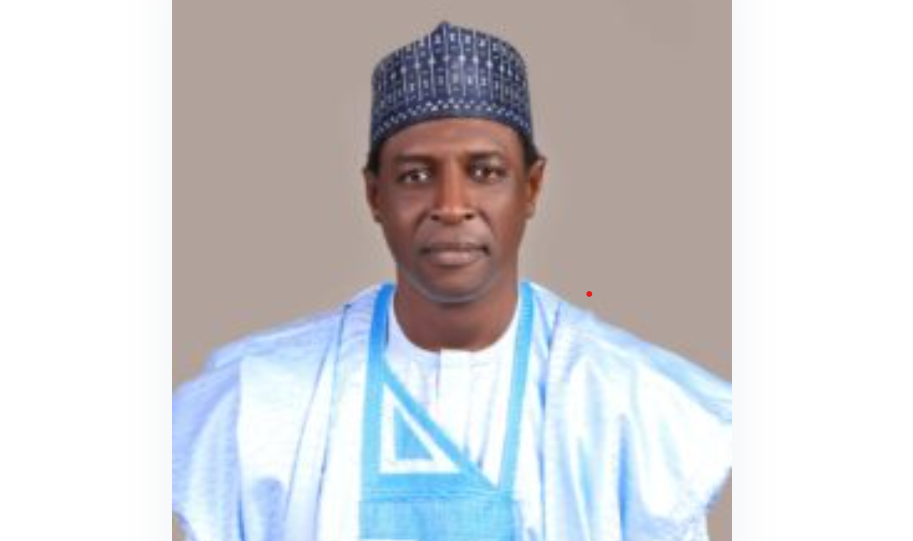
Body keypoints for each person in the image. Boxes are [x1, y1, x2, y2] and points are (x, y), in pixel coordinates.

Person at [172, 21, 732, 541]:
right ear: (374, 194)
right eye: (416, 175)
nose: (451, 205)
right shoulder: (264, 403)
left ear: (531, 187)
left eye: (485, 172)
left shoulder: (629, 407)